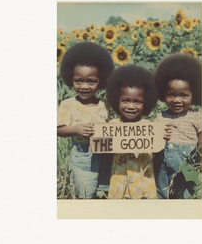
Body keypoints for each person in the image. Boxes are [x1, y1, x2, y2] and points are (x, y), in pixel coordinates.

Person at [57, 42, 114, 199]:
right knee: (84, 193)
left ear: (100, 81)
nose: (84, 86)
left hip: (105, 154)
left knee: (104, 190)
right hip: (83, 157)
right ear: (71, 79)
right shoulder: (68, 104)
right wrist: (76, 129)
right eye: (78, 81)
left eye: (91, 81)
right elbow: (58, 129)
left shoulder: (104, 104)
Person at [104, 65, 168, 199]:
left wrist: (163, 137)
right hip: (119, 178)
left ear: (146, 102)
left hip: (143, 179)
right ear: (117, 100)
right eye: (125, 101)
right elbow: (104, 150)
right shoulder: (112, 125)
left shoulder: (150, 126)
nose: (131, 106)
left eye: (137, 102)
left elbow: (156, 149)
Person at [153, 53, 202, 199]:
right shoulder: (160, 117)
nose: (177, 100)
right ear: (163, 94)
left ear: (194, 95)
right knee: (161, 194)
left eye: (184, 95)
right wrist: (159, 136)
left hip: (187, 167)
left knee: (185, 196)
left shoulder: (197, 116)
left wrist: (199, 162)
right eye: (171, 95)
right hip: (162, 167)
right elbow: (150, 140)